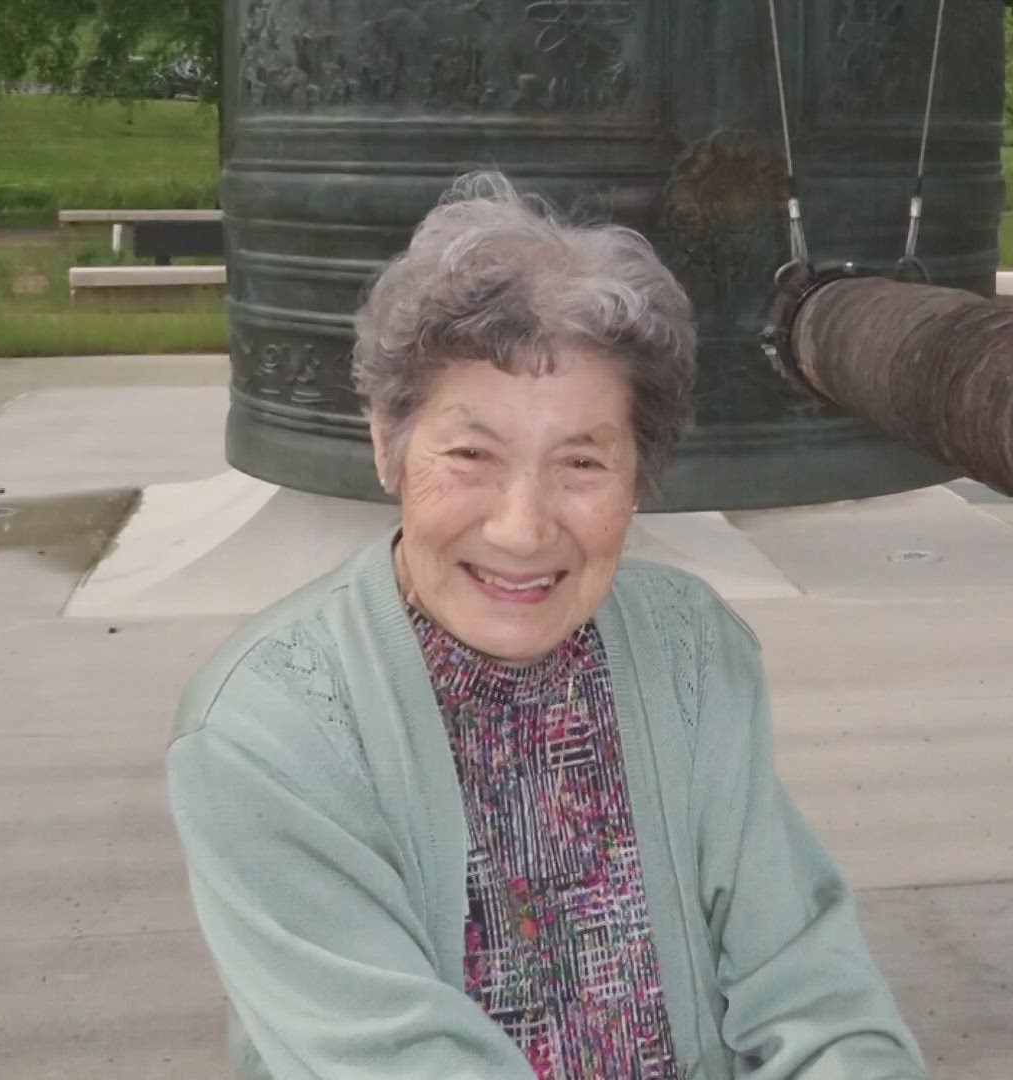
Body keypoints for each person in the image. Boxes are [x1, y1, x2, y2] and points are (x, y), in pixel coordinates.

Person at [167, 172, 926, 1080]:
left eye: (581, 461)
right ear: (386, 444)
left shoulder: (692, 654)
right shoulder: (267, 726)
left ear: (641, 474)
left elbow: (810, 988)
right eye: (471, 455)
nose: (522, 529)